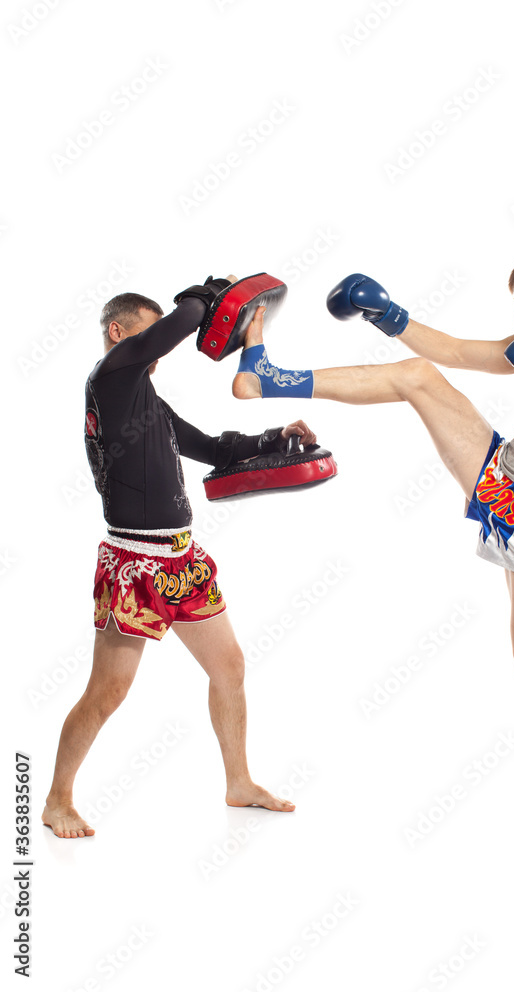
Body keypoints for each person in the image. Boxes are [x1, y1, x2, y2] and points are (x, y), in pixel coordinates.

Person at [231, 243, 514, 839]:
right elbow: (457, 351)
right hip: (499, 471)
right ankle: (268, 380)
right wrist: (387, 316)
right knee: (419, 376)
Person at [42, 276, 316, 838]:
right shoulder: (112, 377)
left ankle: (238, 783)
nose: (157, 351)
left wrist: (274, 436)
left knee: (230, 666)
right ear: (118, 335)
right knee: (109, 691)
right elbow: (172, 331)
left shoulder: (146, 400)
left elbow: (212, 447)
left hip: (183, 562)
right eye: (146, 339)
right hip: (134, 565)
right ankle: (55, 800)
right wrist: (203, 299)